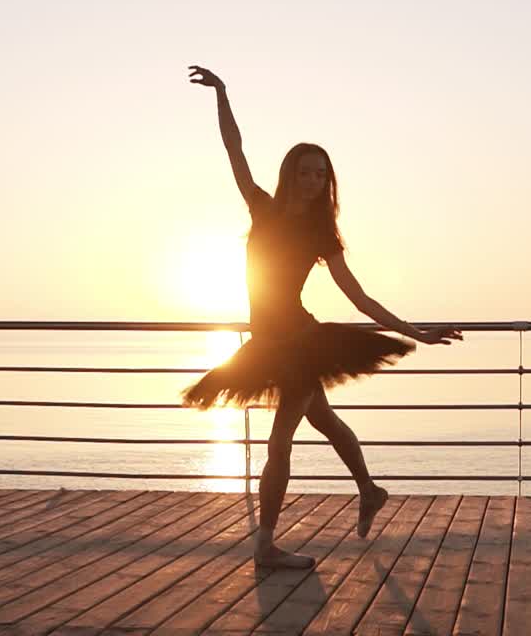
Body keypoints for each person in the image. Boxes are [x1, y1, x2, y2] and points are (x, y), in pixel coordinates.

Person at [182, 65, 462, 569]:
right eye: (305, 171)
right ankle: (371, 490)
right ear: (290, 174)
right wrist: (222, 95)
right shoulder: (261, 208)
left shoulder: (321, 234)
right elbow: (234, 150)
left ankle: (265, 543)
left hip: (300, 342)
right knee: (326, 420)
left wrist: (417, 332)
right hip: (268, 342)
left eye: (321, 174)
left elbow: (359, 298)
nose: (313, 181)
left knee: (280, 440)